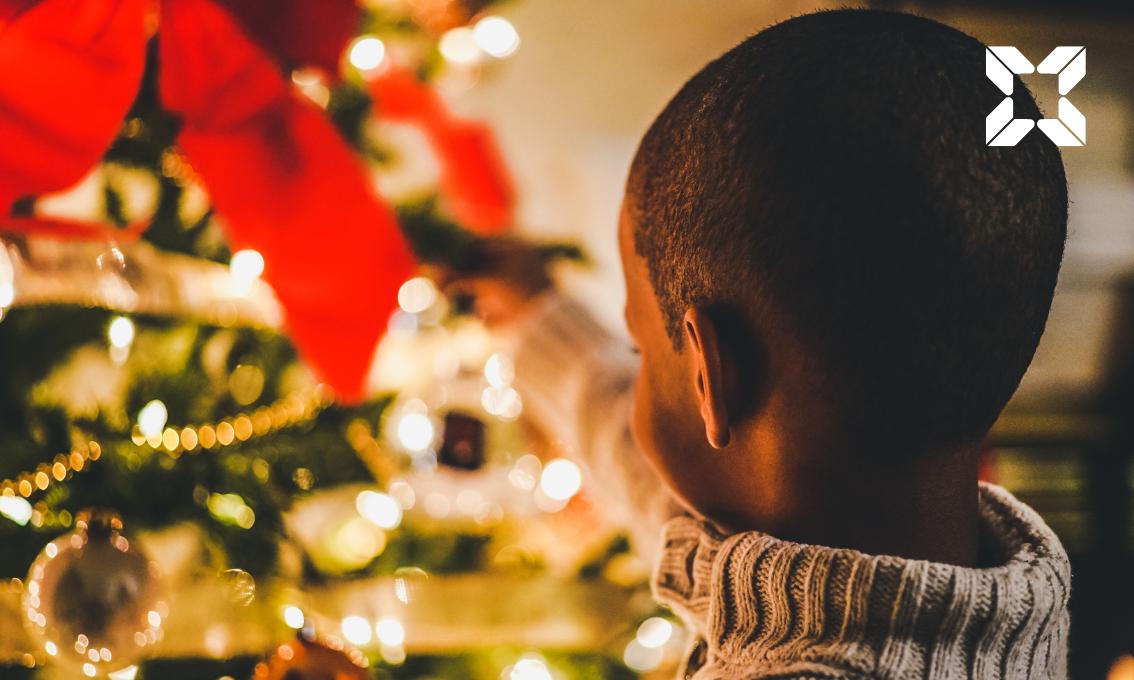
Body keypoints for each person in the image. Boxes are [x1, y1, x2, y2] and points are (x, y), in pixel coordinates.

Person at [442, 9, 1070, 678]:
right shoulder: (990, 596)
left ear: (713, 377)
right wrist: (538, 314)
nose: (637, 377)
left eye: (642, 350)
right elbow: (662, 479)